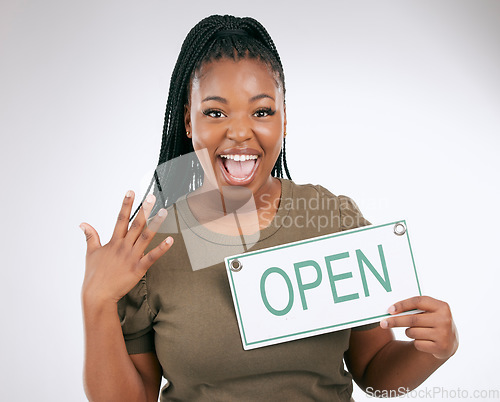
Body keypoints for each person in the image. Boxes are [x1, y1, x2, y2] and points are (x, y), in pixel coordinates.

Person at [80, 14, 458, 402]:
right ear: (188, 122)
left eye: (261, 112)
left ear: (284, 121)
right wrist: (97, 302)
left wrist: (431, 351)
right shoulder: (148, 248)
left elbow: (374, 372)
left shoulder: (333, 221)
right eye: (215, 112)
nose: (240, 132)